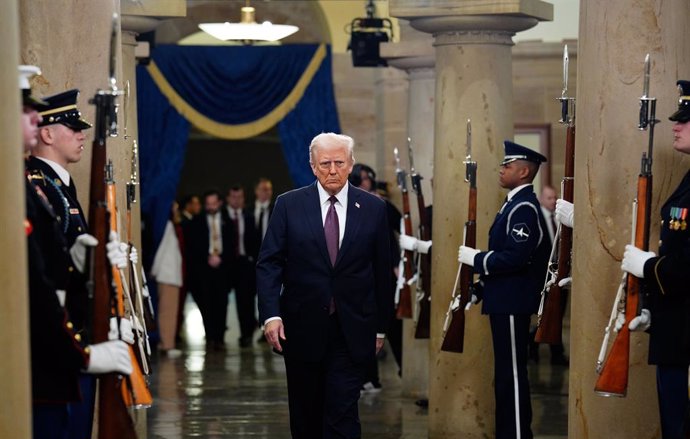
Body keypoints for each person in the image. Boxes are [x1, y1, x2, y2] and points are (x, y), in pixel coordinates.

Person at [18, 66, 131, 439]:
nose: (81, 134)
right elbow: (38, 281)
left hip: (68, 337)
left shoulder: (50, 185)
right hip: (55, 346)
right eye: (73, 127)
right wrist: (83, 349)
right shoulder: (37, 186)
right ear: (46, 133)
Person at [257, 132, 392, 439]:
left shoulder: (373, 208)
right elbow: (269, 263)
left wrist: (381, 327)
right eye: (325, 163)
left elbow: (382, 273)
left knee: (342, 413)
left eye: (339, 163)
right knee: (306, 416)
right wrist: (271, 315)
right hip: (301, 328)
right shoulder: (289, 205)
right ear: (313, 166)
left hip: (352, 328)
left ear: (351, 164)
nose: (333, 170)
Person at [457, 140, 550, 439]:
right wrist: (480, 290)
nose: (501, 169)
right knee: (504, 376)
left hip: (513, 302)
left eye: (507, 166)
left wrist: (478, 259)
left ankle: (518, 435)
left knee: (511, 375)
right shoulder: (512, 203)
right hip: (503, 298)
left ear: (524, 172)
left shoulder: (524, 208)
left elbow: (516, 257)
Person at [620, 79, 690, 438]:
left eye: (685, 120)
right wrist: (652, 308)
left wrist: (647, 266)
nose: (675, 125)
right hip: (676, 330)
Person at [349, 163, 402, 392]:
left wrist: (399, 263)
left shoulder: (381, 204)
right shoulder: (348, 205)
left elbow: (401, 228)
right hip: (360, 273)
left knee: (391, 324)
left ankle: (402, 369)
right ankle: (367, 377)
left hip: (384, 272)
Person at [185, 189, 235, 350]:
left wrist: (222, 258)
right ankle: (210, 336)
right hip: (204, 269)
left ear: (219, 203)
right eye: (208, 204)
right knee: (206, 303)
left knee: (222, 302)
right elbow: (193, 245)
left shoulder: (227, 221)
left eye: (214, 203)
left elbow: (232, 244)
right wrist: (207, 257)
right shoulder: (197, 221)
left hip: (223, 268)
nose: (211, 207)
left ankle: (219, 338)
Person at [529, 185, 569, 366]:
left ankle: (556, 353)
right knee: (542, 315)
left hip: (559, 277)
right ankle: (533, 349)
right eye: (549, 198)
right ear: (541, 199)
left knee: (556, 315)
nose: (553, 201)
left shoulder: (560, 219)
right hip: (540, 277)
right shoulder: (535, 218)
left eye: (555, 198)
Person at [225, 185, 259, 348]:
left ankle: (246, 334)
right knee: (221, 301)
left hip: (245, 263)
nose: (236, 200)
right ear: (228, 198)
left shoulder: (249, 216)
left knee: (245, 300)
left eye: (239, 197)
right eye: (233, 197)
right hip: (227, 264)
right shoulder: (223, 217)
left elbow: (255, 239)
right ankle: (216, 335)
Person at [151, 202, 183, 358]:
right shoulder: (168, 227)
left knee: (167, 310)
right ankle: (167, 345)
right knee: (168, 312)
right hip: (167, 275)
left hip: (170, 275)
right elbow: (161, 251)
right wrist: (155, 271)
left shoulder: (170, 227)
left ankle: (166, 343)